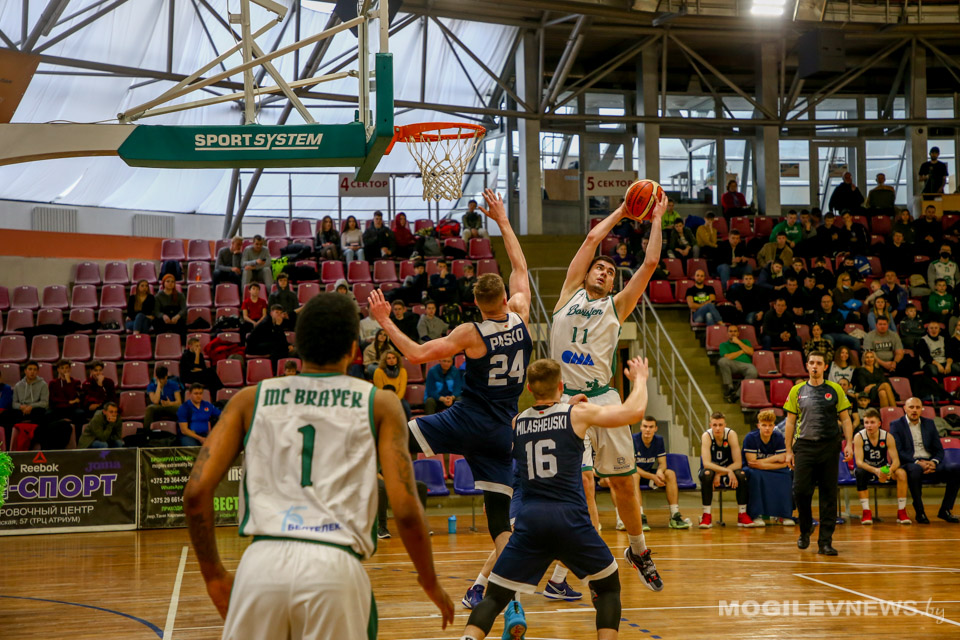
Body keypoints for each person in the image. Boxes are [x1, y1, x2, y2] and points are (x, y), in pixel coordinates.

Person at [182, 292, 454, 637]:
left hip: (260, 567)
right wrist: (429, 581)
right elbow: (405, 509)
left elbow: (195, 493)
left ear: (297, 346)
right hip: (335, 568)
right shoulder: (380, 405)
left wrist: (215, 576)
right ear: (355, 350)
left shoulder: (250, 399)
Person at [369, 189, 542, 606]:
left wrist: (383, 321)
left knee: (391, 441)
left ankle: (370, 505)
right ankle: (512, 601)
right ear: (503, 299)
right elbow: (520, 265)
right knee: (501, 524)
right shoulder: (521, 314)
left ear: (476, 306)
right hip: (503, 431)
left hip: (465, 419)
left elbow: (415, 354)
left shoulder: (471, 333)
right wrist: (500, 220)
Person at [458, 356, 651, 640]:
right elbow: (633, 412)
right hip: (569, 519)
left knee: (495, 598)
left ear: (529, 388)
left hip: (530, 522)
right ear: (561, 385)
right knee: (608, 589)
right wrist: (641, 379)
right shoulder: (577, 414)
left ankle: (467, 637)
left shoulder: (517, 421)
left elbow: (544, 423)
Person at [550, 186, 666, 593]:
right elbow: (591, 238)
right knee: (580, 482)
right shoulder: (567, 295)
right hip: (566, 403)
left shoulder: (616, 306)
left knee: (621, 484)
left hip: (604, 398)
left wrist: (655, 221)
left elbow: (651, 262)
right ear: (585, 274)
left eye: (611, 271)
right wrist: (621, 210)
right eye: (599, 269)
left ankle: (638, 549)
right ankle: (575, 562)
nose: (604, 272)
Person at [783, 351, 854, 555]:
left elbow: (846, 419)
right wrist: (788, 450)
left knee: (828, 495)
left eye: (819, 363)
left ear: (825, 367)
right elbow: (790, 422)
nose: (815, 366)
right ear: (807, 366)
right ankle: (806, 529)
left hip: (829, 447)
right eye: (812, 363)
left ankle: (825, 542)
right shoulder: (797, 390)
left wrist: (848, 443)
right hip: (804, 446)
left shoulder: (835, 389)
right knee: (801, 491)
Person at [888, 397, 960, 524]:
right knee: (915, 470)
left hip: (929, 462)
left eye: (917, 407)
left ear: (922, 409)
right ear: (904, 409)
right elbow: (898, 451)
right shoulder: (896, 424)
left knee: (956, 468)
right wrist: (917, 462)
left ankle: (945, 510)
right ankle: (920, 511)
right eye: (911, 407)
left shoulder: (929, 423)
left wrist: (934, 462)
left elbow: (939, 450)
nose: (914, 410)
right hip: (910, 463)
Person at [698, 412, 758, 528]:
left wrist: (722, 473)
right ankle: (706, 515)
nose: (718, 428)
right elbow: (706, 463)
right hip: (712, 470)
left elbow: (738, 463)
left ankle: (742, 514)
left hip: (727, 469)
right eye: (715, 425)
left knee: (741, 474)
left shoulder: (731, 434)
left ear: (725, 425)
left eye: (720, 425)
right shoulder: (706, 436)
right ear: (710, 425)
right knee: (707, 474)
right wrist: (724, 472)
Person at [853, 408, 911, 525]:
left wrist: (890, 470)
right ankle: (866, 512)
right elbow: (859, 462)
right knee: (859, 472)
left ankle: (901, 511)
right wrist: (875, 470)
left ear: (879, 423)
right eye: (866, 422)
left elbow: (896, 461)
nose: (869, 426)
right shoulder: (859, 437)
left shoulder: (887, 436)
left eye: (872, 422)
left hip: (883, 467)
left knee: (901, 473)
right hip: (868, 469)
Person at [632, 415, 690, 529]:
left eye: (651, 427)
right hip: (638, 474)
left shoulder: (658, 440)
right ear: (641, 427)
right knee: (634, 475)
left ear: (656, 428)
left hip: (650, 473)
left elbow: (663, 463)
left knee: (670, 473)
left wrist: (659, 471)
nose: (648, 429)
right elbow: (632, 467)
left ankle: (674, 516)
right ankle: (640, 516)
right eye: (645, 426)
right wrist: (653, 477)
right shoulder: (633, 440)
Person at [742, 410, 794, 525]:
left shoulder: (778, 437)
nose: (767, 428)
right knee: (756, 475)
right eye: (764, 425)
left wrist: (764, 463)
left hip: (766, 467)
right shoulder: (750, 438)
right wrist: (775, 459)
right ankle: (757, 514)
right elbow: (752, 463)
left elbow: (784, 462)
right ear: (758, 425)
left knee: (786, 474)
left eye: (770, 425)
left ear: (774, 426)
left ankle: (784, 514)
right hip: (752, 469)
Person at [717, 324, 758, 403]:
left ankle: (737, 395)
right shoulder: (723, 345)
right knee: (722, 361)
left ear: (738, 333)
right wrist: (742, 351)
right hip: (732, 364)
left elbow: (751, 352)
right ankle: (729, 387)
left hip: (746, 365)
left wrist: (738, 342)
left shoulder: (745, 341)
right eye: (730, 331)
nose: (733, 333)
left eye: (735, 331)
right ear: (727, 333)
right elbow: (727, 357)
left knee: (753, 372)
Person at [49, 359, 85, 433]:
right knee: (47, 415)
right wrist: (69, 402)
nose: (65, 370)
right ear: (58, 370)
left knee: (81, 413)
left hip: (71, 409)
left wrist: (68, 382)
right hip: (58, 408)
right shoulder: (53, 383)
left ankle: (78, 438)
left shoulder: (76, 382)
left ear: (70, 369)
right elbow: (53, 399)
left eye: (66, 368)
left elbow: (73, 397)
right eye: (62, 368)